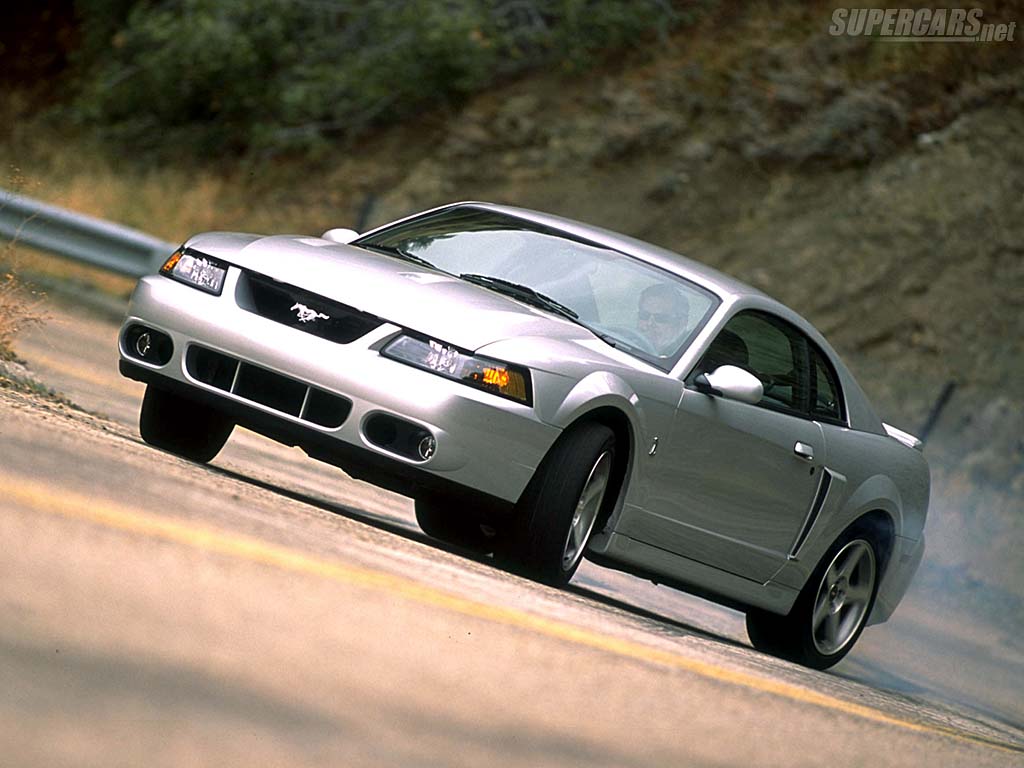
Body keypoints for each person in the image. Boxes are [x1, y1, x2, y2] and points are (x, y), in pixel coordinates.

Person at [637, 283, 689, 354]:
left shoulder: (686, 356)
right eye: (644, 315)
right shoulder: (625, 342)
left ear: (682, 322)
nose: (650, 323)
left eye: (660, 318)